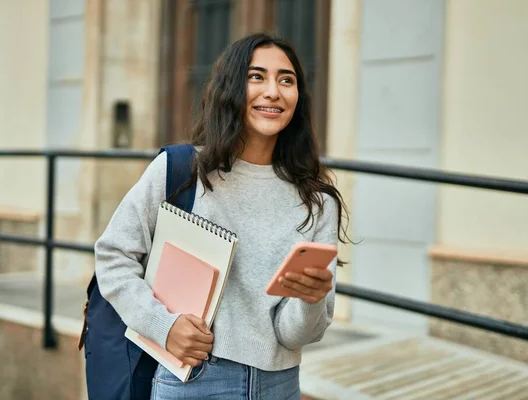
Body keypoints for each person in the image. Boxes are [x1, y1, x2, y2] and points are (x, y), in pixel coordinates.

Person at [94, 33, 350, 399]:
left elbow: (295, 335)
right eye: (256, 76)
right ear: (231, 87)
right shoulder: (182, 170)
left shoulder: (318, 201)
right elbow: (112, 255)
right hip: (192, 380)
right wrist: (163, 326)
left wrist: (311, 300)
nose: (273, 91)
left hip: (279, 385)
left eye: (287, 80)